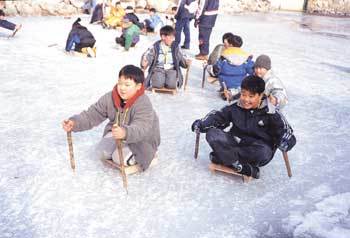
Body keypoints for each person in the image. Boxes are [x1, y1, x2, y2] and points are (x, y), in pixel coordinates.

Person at [191, 75, 296, 178]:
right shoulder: (236, 107)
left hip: (257, 148)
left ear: (260, 95)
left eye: (251, 96)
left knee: (263, 152)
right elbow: (218, 116)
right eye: (243, 94)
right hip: (236, 141)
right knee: (212, 134)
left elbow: (285, 130)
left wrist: (286, 141)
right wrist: (201, 124)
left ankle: (223, 157)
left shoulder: (271, 112)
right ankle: (244, 167)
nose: (246, 99)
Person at [62, 65, 160, 171]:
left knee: (118, 157)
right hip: (117, 134)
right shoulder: (111, 97)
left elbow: (142, 127)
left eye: (127, 85)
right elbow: (92, 114)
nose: (122, 88)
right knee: (101, 152)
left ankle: (146, 155)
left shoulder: (143, 103)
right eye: (120, 83)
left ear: (138, 86)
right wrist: (75, 122)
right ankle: (121, 148)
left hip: (141, 141)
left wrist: (125, 132)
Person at [141, 25, 191, 89]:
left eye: (173, 37)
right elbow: (147, 54)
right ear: (163, 37)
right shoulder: (156, 46)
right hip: (158, 68)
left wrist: (186, 61)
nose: (172, 39)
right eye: (170, 37)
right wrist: (145, 61)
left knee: (171, 85)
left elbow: (182, 55)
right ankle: (156, 80)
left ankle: (168, 80)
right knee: (158, 85)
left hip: (171, 69)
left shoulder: (175, 47)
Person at [208, 34, 254, 99]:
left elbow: (216, 71)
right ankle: (236, 92)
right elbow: (252, 71)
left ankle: (228, 92)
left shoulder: (223, 57)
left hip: (226, 84)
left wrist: (208, 68)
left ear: (231, 44)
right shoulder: (245, 58)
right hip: (241, 84)